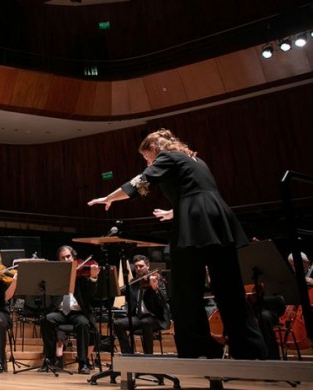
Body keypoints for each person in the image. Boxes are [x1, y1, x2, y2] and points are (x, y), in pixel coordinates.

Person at [88, 128, 267, 360]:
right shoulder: (196, 159)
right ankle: (251, 350)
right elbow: (198, 192)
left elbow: (141, 183)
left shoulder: (166, 157)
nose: (148, 162)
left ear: (154, 149)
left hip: (195, 225)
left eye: (146, 158)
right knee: (230, 288)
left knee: (185, 290)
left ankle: (199, 349)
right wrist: (176, 211)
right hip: (218, 219)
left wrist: (109, 197)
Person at [40, 245, 100, 374]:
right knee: (46, 320)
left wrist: (93, 278)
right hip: (61, 312)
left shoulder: (82, 276)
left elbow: (91, 293)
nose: (66, 260)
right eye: (63, 258)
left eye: (68, 257)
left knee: (83, 323)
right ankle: (50, 360)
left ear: (73, 257)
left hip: (77, 313)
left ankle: (83, 362)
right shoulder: (56, 277)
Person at [113, 255, 170, 355]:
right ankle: (127, 354)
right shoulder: (133, 283)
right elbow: (118, 291)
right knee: (118, 323)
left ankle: (148, 356)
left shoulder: (157, 280)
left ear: (148, 266)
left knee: (145, 322)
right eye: (136, 267)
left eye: (141, 266)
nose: (138, 269)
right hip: (139, 317)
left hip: (156, 317)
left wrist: (155, 288)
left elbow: (163, 301)